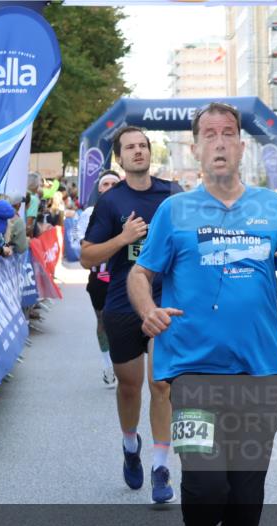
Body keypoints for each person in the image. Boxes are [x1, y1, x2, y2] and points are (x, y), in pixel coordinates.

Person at [127, 101, 277, 526]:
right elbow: (142, 274)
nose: (219, 142)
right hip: (192, 373)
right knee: (207, 486)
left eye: (228, 133)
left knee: (246, 494)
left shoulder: (272, 208)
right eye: (208, 135)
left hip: (260, 374)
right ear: (195, 148)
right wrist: (148, 310)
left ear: (241, 145)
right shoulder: (175, 211)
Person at [81, 126, 182, 504]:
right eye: (130, 148)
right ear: (119, 158)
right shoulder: (111, 202)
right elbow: (88, 256)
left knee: (162, 385)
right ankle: (129, 443)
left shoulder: (173, 194)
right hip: (123, 305)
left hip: (164, 303)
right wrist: (123, 239)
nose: (138, 152)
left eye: (143, 146)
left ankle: (160, 466)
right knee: (130, 386)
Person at [79, 169, 121, 388]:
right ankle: (108, 365)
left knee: (127, 322)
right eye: (106, 184)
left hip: (126, 275)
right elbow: (85, 253)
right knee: (103, 321)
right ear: (100, 189)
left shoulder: (132, 212)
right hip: (101, 277)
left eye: (115, 183)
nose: (110, 187)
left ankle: (124, 361)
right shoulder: (88, 215)